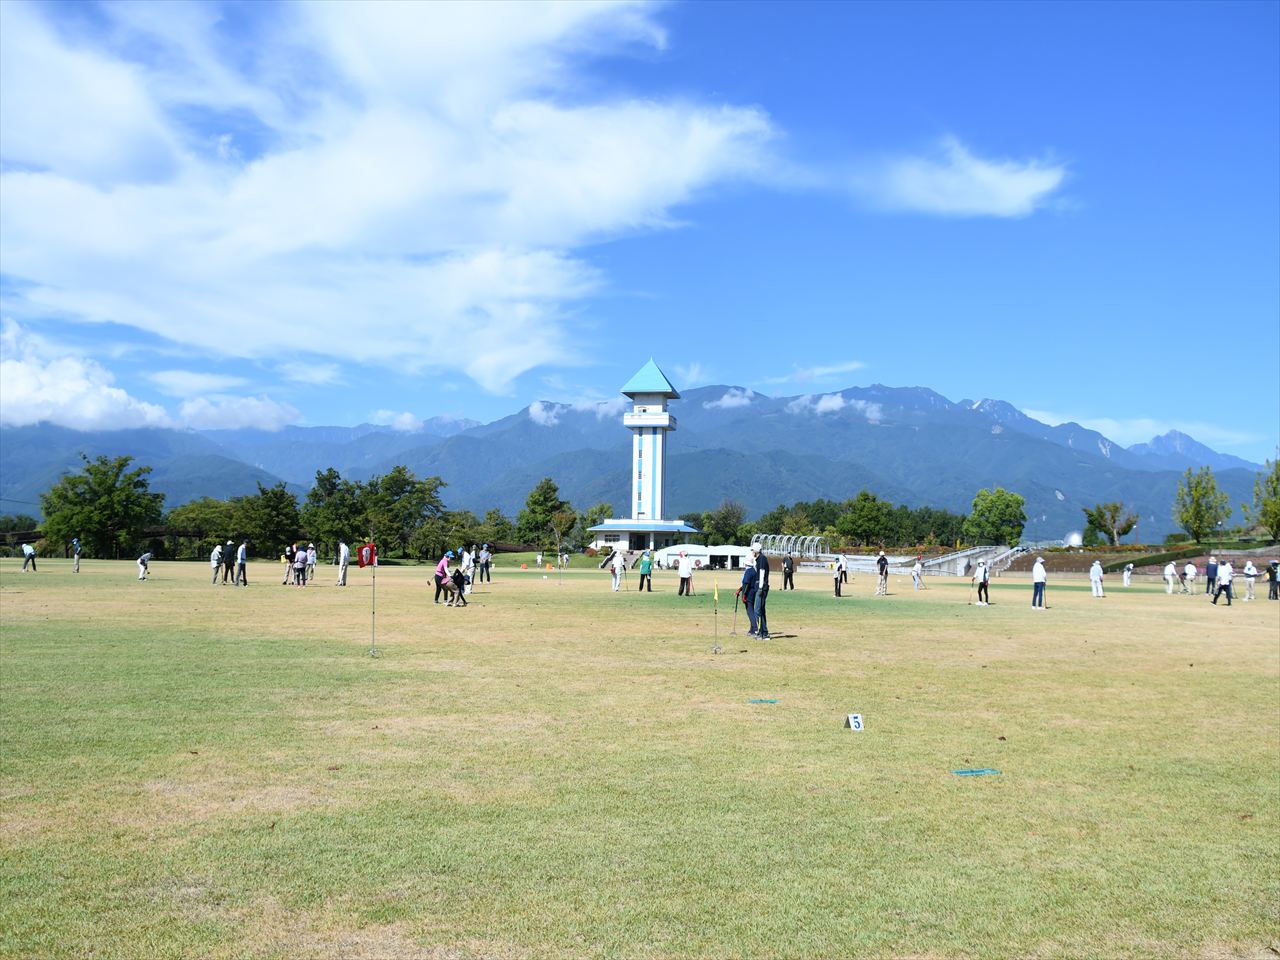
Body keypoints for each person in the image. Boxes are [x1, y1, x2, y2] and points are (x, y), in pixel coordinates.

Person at [752, 544, 771, 638]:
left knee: (757, 610)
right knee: (761, 610)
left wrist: (760, 587)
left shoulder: (762, 559)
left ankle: (760, 632)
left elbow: (762, 572)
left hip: (762, 588)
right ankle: (764, 632)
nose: (752, 552)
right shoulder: (758, 559)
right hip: (760, 587)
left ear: (756, 551)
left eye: (753, 551)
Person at [739, 560, 759, 635]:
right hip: (753, 592)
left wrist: (744, 594)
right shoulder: (754, 570)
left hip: (748, 594)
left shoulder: (748, 571)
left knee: (750, 612)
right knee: (752, 611)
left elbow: (746, 583)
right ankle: (751, 630)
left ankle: (755, 628)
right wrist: (740, 589)